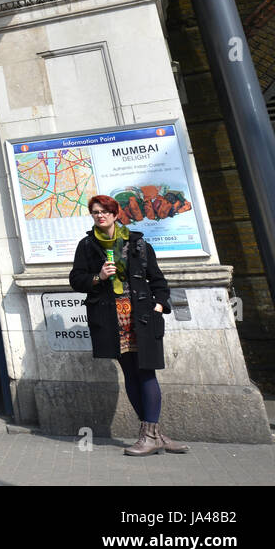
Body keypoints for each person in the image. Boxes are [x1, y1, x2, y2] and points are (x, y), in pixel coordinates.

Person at [69, 195, 188, 456]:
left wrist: (159, 305)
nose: (99, 216)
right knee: (130, 374)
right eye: (95, 212)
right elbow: (76, 280)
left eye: (104, 211)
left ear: (114, 214)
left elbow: (158, 280)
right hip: (111, 319)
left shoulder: (138, 243)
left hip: (142, 316)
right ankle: (153, 434)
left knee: (146, 372)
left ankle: (150, 434)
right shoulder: (87, 245)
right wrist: (98, 277)